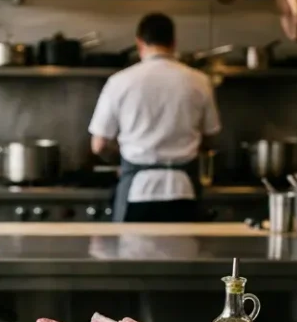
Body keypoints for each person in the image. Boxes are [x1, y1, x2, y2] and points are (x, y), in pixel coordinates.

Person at [88, 13, 222, 222]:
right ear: (174, 43)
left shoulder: (119, 82)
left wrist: (122, 159)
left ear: (139, 43)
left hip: (136, 191)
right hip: (183, 191)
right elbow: (210, 137)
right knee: (184, 253)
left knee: (131, 253)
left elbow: (99, 145)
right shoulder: (199, 81)